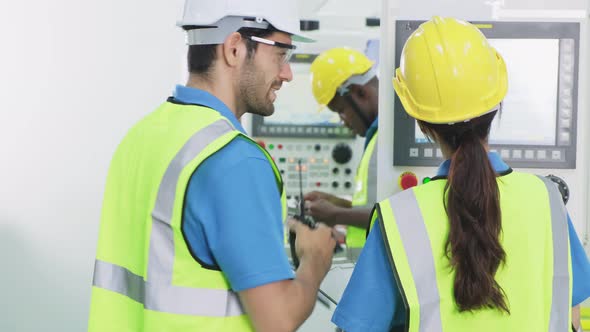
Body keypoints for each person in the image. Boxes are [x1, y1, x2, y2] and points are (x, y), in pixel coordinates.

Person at [87, 1, 336, 331]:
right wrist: (315, 258)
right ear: (234, 48)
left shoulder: (141, 136)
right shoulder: (235, 159)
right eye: (280, 54)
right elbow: (278, 320)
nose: (287, 73)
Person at [332, 16, 590, 331]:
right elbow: (571, 315)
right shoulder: (548, 201)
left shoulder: (399, 217)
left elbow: (358, 325)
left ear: (420, 121)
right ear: (497, 101)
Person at [304, 48, 379, 256]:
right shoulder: (377, 138)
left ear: (360, 93)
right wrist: (338, 204)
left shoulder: (390, 141)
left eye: (341, 111)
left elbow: (397, 218)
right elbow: (376, 207)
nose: (343, 122)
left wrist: (336, 215)